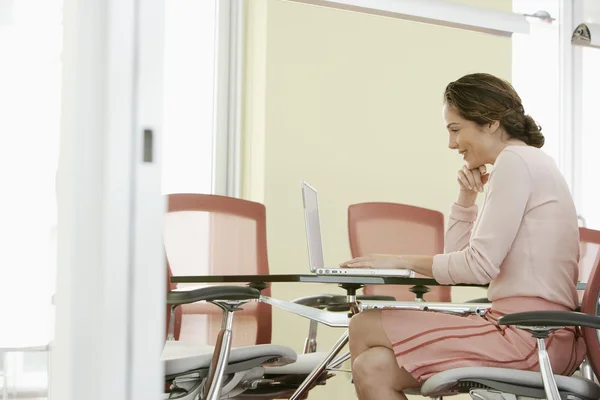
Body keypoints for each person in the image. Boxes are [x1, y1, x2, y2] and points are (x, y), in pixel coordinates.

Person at [339, 72, 586, 400]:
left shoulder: (515, 162)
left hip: (531, 336)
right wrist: (466, 200)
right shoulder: (528, 162)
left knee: (364, 325)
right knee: (373, 366)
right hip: (530, 333)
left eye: (456, 130)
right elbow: (462, 265)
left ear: (491, 123)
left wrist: (396, 260)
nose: (452, 144)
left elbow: (476, 267)